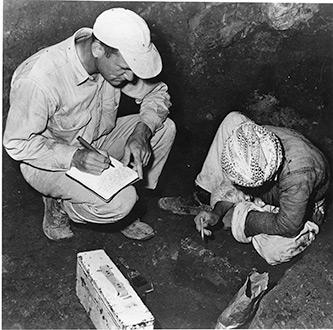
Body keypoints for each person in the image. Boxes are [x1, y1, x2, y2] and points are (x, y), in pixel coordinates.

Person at [3, 8, 176, 241]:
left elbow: (157, 92)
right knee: (121, 203)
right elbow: (17, 144)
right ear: (98, 49)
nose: (131, 78)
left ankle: (124, 199)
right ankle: (64, 204)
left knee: (164, 129)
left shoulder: (112, 61)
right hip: (48, 160)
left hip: (95, 142)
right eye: (125, 69)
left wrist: (141, 133)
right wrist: (74, 157)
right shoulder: (40, 79)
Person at [159, 111, 330, 263]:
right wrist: (217, 213)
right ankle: (204, 196)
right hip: (270, 185)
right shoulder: (255, 138)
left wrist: (238, 222)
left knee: (273, 250)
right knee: (233, 119)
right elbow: (240, 185)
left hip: (300, 204)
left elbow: (288, 225)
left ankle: (309, 226)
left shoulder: (298, 175)